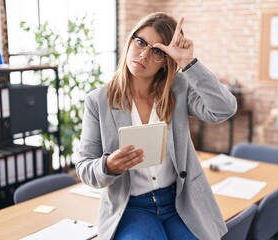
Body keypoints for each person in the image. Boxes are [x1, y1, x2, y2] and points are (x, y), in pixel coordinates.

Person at [76, 12, 237, 240]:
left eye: (157, 51)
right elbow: (84, 167)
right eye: (140, 42)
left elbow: (223, 109)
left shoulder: (178, 88)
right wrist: (108, 166)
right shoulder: (98, 100)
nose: (143, 54)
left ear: (165, 62)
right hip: (131, 207)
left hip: (181, 201)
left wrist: (188, 63)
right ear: (130, 40)